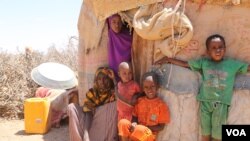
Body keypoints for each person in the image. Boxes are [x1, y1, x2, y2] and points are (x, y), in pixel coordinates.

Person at [155, 34, 250, 141]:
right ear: (208, 52)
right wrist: (169, 60)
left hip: (221, 104)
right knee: (205, 133)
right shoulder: (204, 63)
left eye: (220, 47)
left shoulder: (232, 64)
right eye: (213, 48)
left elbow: (247, 68)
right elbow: (186, 64)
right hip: (205, 103)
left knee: (218, 135)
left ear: (225, 49)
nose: (217, 50)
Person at [67, 67, 118, 141]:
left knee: (115, 105)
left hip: (105, 127)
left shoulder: (113, 93)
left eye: (105, 78)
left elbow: (120, 100)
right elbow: (88, 113)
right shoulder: (92, 93)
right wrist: (86, 133)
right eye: (99, 79)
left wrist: (114, 80)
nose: (102, 82)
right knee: (72, 107)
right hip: (91, 123)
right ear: (96, 80)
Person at [118, 72, 170, 141]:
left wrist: (145, 127)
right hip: (137, 130)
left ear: (157, 86)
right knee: (123, 122)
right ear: (143, 88)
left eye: (152, 86)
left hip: (148, 135)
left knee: (140, 129)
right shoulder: (140, 101)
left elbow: (161, 127)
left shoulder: (161, 105)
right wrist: (134, 124)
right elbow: (134, 116)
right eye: (146, 87)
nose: (149, 90)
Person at [107, 14, 133, 81]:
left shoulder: (129, 34)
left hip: (129, 74)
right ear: (110, 22)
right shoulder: (108, 34)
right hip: (115, 74)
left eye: (119, 22)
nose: (117, 25)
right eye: (114, 22)